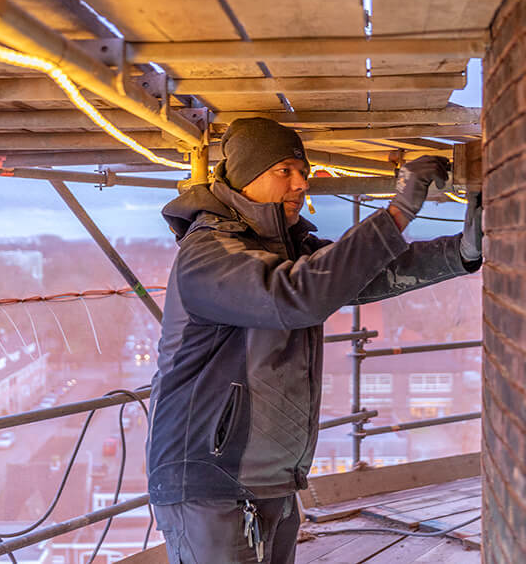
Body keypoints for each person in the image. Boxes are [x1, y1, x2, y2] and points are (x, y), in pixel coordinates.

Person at [146, 117, 483, 563]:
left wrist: (460, 252)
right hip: (208, 482)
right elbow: (298, 296)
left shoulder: (287, 249)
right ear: (246, 177)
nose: (300, 183)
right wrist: (399, 210)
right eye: (283, 170)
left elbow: (363, 275)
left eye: (302, 172)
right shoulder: (208, 255)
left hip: (270, 478)